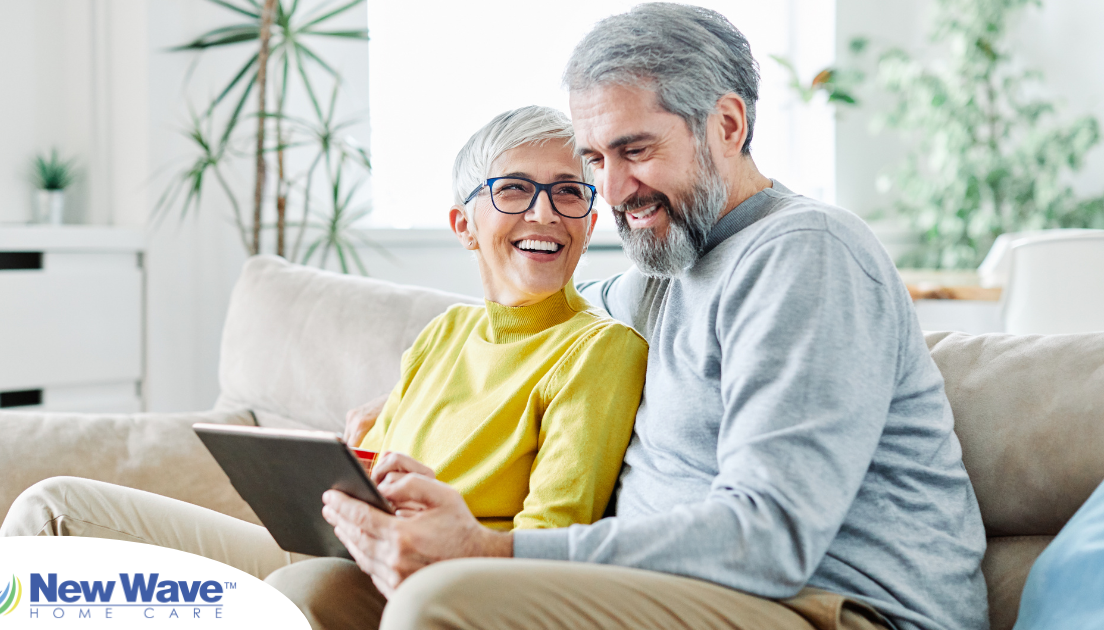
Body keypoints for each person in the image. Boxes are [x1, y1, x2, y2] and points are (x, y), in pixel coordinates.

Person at [312, 4, 989, 630]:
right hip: (694, 594)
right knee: (322, 591)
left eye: (635, 151)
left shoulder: (805, 255)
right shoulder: (663, 271)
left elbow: (769, 537)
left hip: (835, 607)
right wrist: (410, 398)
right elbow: (527, 327)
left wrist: (492, 547)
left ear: (727, 125)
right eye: (596, 160)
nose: (610, 190)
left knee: (438, 599)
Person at [0, 106, 648, 604]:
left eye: (570, 192)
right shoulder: (447, 332)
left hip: (418, 586)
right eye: (513, 190)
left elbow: (549, 546)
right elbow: (373, 481)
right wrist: (350, 457)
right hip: (329, 550)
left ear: (591, 221)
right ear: (464, 226)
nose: (545, 213)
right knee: (53, 508)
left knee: (306, 590)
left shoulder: (601, 350)